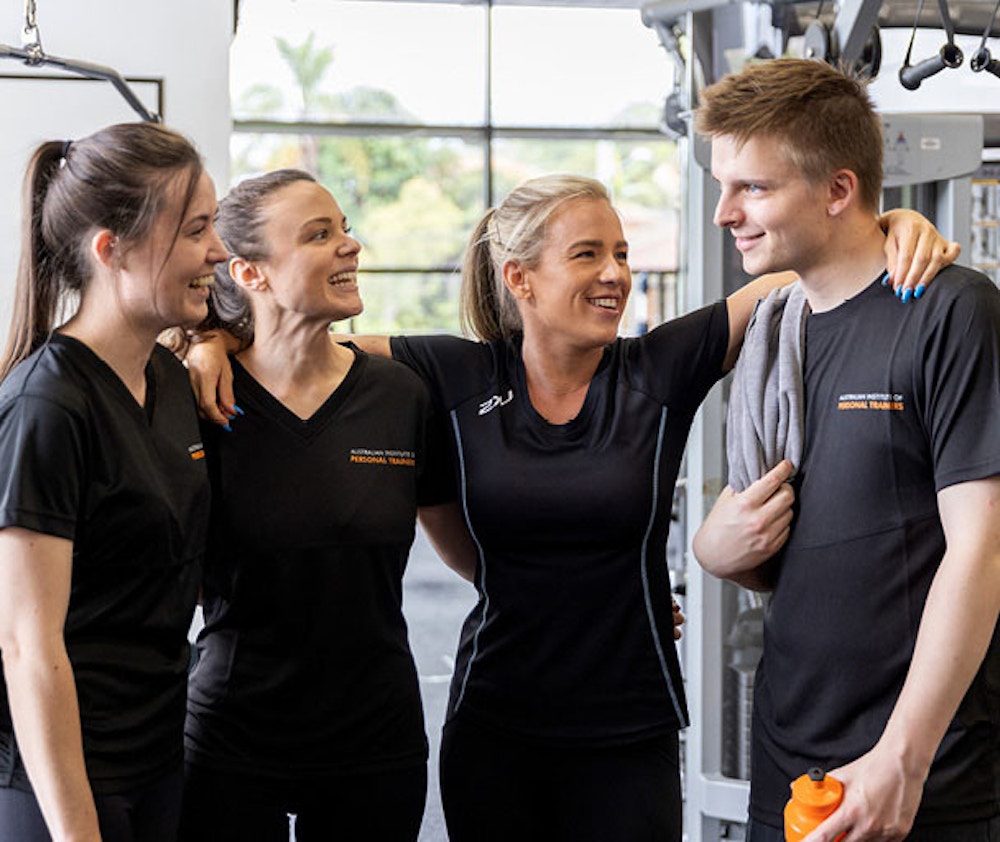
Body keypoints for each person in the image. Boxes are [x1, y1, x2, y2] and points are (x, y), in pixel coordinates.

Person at [186, 172, 953, 842]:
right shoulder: (452, 372)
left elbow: (785, 279)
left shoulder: (657, 368)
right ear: (519, 279)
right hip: (494, 727)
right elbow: (299, 350)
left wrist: (886, 224)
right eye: (588, 254)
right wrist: (211, 340)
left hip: (630, 731)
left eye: (620, 253)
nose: (615, 273)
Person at [692, 58, 1000, 842]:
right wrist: (716, 548)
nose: (725, 212)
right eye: (724, 185)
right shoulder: (772, 326)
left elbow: (982, 548)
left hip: (922, 769)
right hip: (791, 759)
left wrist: (905, 757)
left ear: (838, 190)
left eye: (753, 188)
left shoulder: (950, 314)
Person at [177, 169, 469, 842]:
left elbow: (471, 554)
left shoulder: (401, 396)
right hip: (230, 739)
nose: (350, 245)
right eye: (319, 235)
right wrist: (205, 340)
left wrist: (599, 596)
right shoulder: (195, 397)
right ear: (251, 273)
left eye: (344, 227)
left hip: (376, 740)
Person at [0, 123, 226, 842]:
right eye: (196, 230)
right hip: (64, 778)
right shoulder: (48, 405)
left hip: (157, 751)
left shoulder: (165, 374)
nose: (218, 251)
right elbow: (27, 643)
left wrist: (219, 339)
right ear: (112, 249)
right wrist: (75, 831)